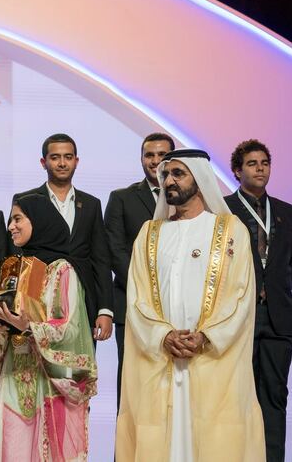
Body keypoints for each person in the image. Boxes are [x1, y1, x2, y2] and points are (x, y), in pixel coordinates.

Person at [116, 149, 265, 461]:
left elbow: (241, 296)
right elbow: (137, 297)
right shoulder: (149, 234)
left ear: (200, 178)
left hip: (211, 358)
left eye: (178, 174)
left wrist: (205, 336)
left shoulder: (230, 230)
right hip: (162, 356)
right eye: (166, 175)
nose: (169, 180)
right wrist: (163, 336)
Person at [0, 194, 97, 462]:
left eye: (17, 219)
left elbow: (71, 328)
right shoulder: (20, 268)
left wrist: (30, 327)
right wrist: (2, 324)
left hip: (49, 383)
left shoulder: (62, 270)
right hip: (16, 375)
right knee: (11, 449)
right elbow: (17, 321)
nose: (10, 226)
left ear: (40, 221)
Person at [224, 139, 292, 462]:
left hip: (279, 316)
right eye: (252, 163)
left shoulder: (285, 212)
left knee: (276, 396)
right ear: (237, 171)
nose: (260, 168)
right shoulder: (222, 211)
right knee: (238, 395)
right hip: (239, 317)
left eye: (264, 163)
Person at [13, 134, 113, 343]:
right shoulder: (26, 200)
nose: (62, 163)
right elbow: (16, 252)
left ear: (76, 161)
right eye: (55, 157)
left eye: (68, 157)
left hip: (82, 299)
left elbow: (101, 259)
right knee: (37, 365)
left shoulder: (91, 204)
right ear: (44, 162)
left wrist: (105, 310)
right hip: (37, 296)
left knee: (77, 368)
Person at [103, 132, 174, 409]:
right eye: (149, 155)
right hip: (131, 303)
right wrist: (145, 287)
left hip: (179, 307)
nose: (155, 161)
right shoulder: (122, 198)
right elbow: (114, 249)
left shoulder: (189, 198)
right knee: (132, 383)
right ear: (141, 159)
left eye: (162, 156)